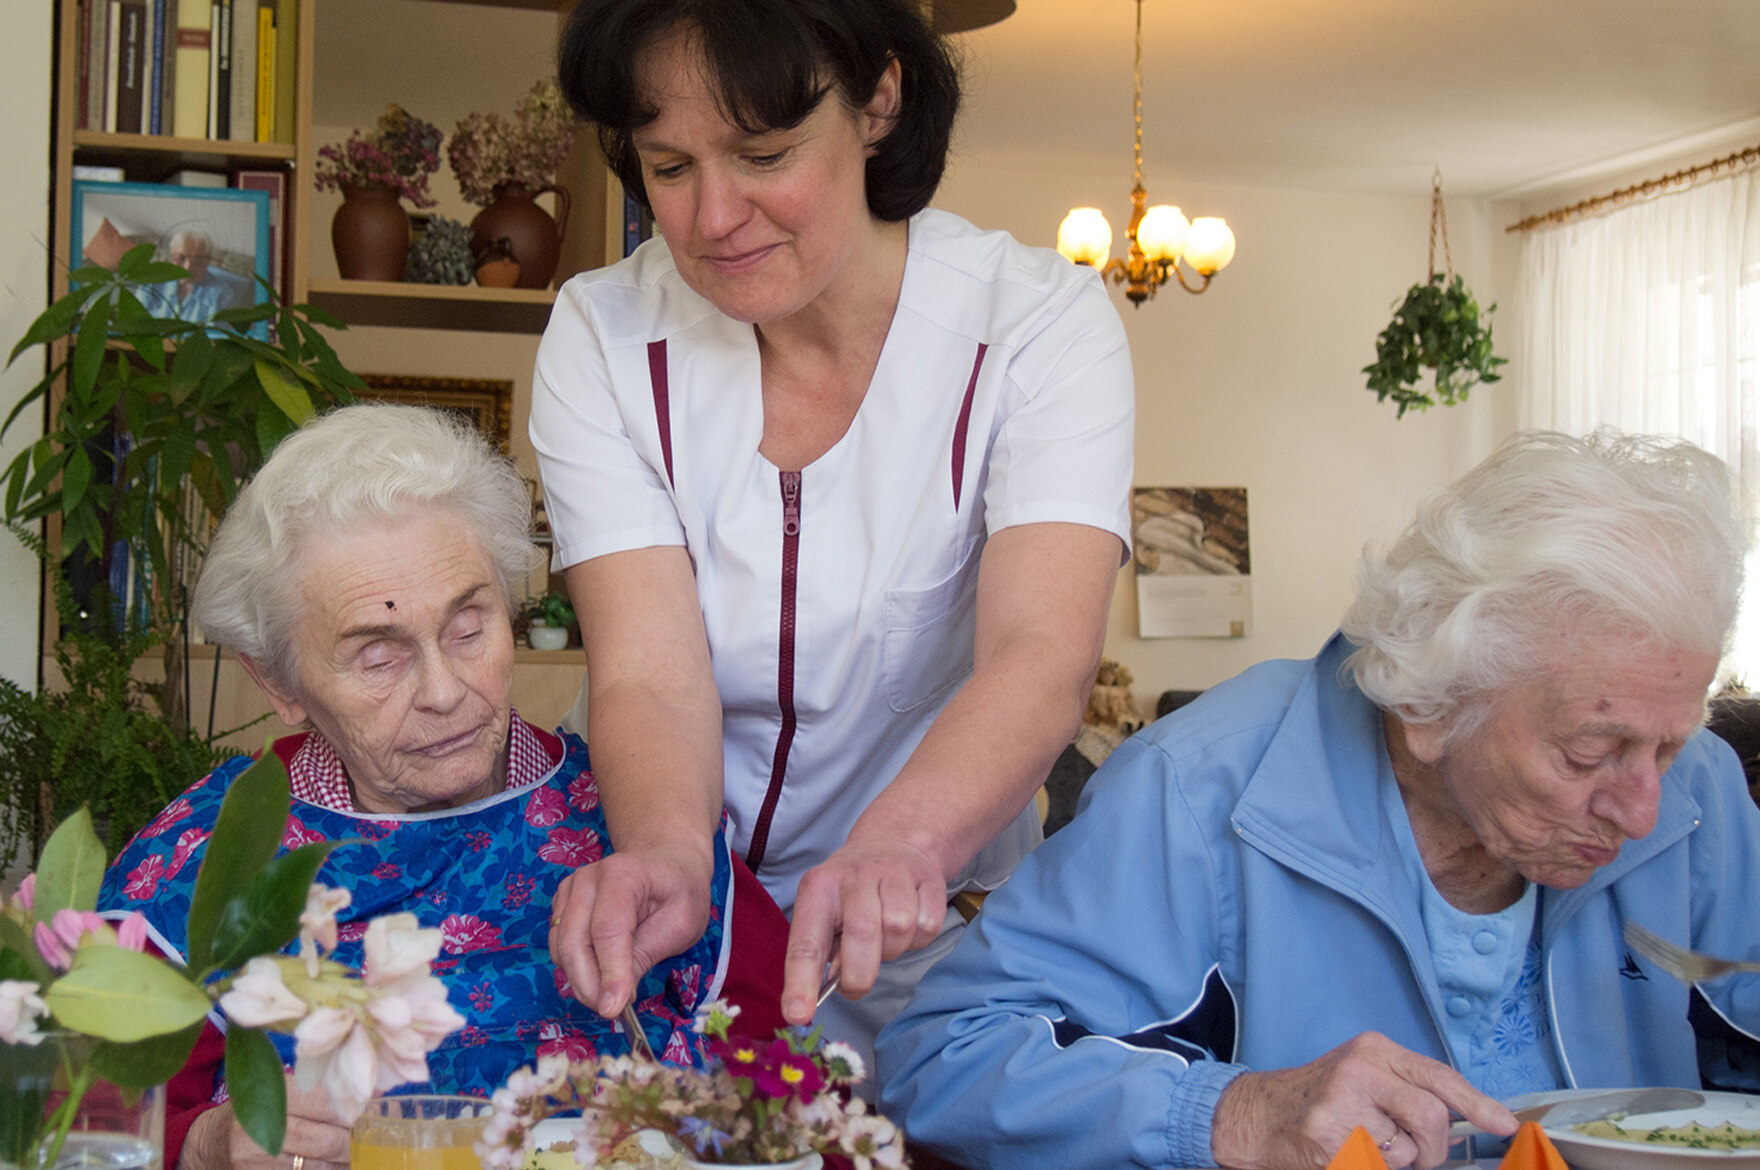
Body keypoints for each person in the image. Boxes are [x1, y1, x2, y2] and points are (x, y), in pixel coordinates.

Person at [877, 430, 1760, 1170]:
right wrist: (1237, 1114)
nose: (1645, 811)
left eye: (1670, 744)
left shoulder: (1703, 792)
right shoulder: (1195, 792)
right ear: (1432, 705)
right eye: (1589, 754)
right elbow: (942, 1055)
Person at [532, 0, 1135, 1074]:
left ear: (879, 100)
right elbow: (650, 675)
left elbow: (1036, 654)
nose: (715, 215)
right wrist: (672, 857)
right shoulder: (602, 334)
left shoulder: (1037, 325)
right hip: (672, 921)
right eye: (669, 168)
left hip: (921, 933)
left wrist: (900, 844)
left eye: (763, 154)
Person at [97, 404, 790, 1170]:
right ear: (278, 681)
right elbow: (83, 1109)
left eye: (468, 629)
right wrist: (207, 1145)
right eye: (378, 656)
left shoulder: (635, 811)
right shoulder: (206, 853)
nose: (445, 692)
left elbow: (794, 1083)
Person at [143, 229, 254, 324]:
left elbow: (221, 341)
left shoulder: (222, 295)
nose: (188, 267)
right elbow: (134, 327)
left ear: (208, 262)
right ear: (171, 258)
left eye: (198, 260)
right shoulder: (151, 284)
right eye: (181, 258)